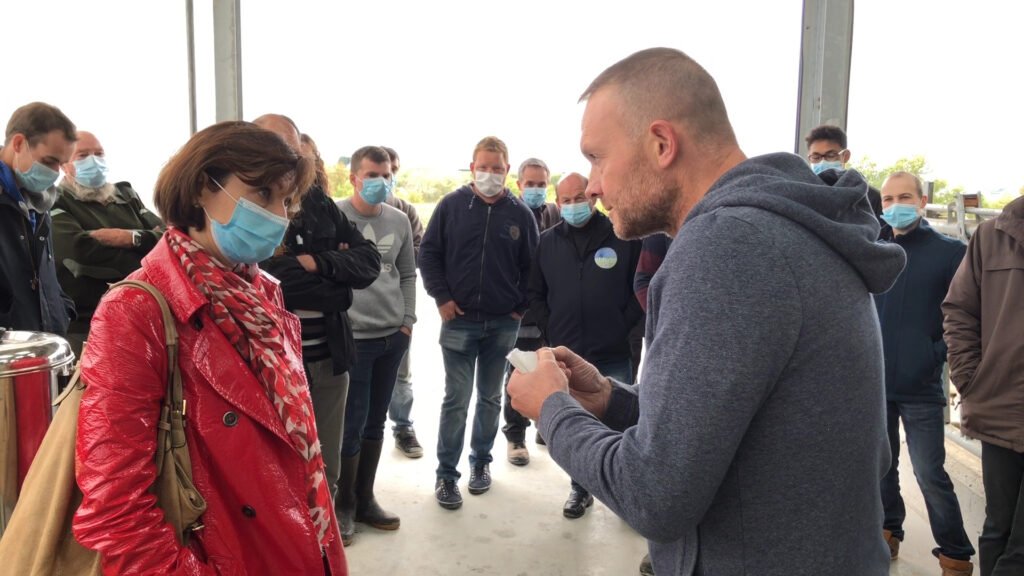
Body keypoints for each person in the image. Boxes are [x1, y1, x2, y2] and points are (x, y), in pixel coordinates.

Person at [507, 47, 905, 575]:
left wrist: (552, 408)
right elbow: (740, 426)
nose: (593, 186)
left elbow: (655, 495)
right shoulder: (783, 228)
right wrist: (607, 399)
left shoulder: (728, 245)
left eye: (596, 157)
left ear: (662, 143)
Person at [72, 121, 347, 575]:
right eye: (262, 194)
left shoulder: (261, 292)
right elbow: (114, 506)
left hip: (296, 540)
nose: (278, 215)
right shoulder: (135, 311)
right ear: (203, 186)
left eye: (286, 200)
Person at [261, 132, 381, 521]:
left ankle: (323, 544)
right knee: (282, 470)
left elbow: (368, 263)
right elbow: (271, 279)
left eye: (303, 157)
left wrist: (318, 263)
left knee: (327, 464)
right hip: (279, 362)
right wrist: (335, 281)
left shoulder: (320, 205)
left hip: (331, 356)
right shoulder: (255, 210)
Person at [419, 136, 539, 510]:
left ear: (507, 170)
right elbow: (429, 254)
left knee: (489, 398)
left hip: (503, 324)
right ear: (472, 169)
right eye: (483, 167)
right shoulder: (452, 206)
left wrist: (519, 307)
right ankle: (445, 476)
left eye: (497, 168)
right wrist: (441, 297)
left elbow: (532, 268)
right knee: (456, 400)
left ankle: (481, 465)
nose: (490, 174)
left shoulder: (520, 214)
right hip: (459, 322)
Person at [874, 172, 974, 575]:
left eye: (904, 197)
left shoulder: (950, 252)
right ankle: (888, 530)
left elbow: (964, 314)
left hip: (921, 386)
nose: (894, 204)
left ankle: (956, 552)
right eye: (887, 199)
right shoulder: (874, 247)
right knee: (882, 466)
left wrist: (936, 354)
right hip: (877, 384)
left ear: (921, 201)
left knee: (929, 471)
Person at [527, 172, 642, 519]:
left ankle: (631, 494)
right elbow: (535, 292)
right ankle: (580, 490)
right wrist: (551, 330)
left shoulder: (623, 236)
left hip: (614, 349)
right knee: (579, 423)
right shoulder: (547, 242)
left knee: (624, 420)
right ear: (557, 202)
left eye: (580, 198)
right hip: (569, 351)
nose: (574, 205)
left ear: (592, 198)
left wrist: (623, 328)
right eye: (566, 200)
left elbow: (640, 289)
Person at [336, 146, 416, 545]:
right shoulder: (335, 217)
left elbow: (406, 275)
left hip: (391, 338)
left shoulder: (399, 220)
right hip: (353, 338)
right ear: (353, 177)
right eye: (371, 175)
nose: (379, 182)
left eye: (385, 175)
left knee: (376, 421)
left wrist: (407, 322)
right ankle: (344, 503)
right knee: (350, 423)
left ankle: (366, 498)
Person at [943, 193, 1024, 576]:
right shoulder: (992, 236)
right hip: (1000, 406)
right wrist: (970, 379)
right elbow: (960, 308)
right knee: (997, 530)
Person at [51, 130, 166, 357]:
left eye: (98, 153)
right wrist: (144, 259)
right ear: (65, 165)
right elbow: (78, 251)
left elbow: (168, 237)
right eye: (83, 155)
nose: (94, 161)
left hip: (143, 318)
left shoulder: (125, 194)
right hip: (86, 326)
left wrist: (130, 237)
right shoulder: (55, 200)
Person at [0, 102, 77, 335]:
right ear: (19, 143)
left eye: (61, 164)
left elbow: (43, 273)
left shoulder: (41, 202)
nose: (55, 172)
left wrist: (62, 310)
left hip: (43, 346)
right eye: (49, 161)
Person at [503, 157, 561, 466]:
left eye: (542, 184)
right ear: (519, 184)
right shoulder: (511, 215)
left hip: (551, 311)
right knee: (520, 371)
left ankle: (545, 426)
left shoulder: (555, 214)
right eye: (531, 184)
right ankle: (515, 435)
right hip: (520, 312)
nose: (536, 189)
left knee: (551, 370)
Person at [381, 145, 427, 459]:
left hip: (397, 310)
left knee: (399, 374)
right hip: (356, 317)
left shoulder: (405, 211)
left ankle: (403, 428)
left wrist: (407, 316)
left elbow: (418, 255)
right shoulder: (342, 211)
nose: (387, 178)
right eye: (380, 173)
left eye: (392, 172)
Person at [804, 124, 888, 237]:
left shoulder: (869, 197)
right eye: (816, 157)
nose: (822, 162)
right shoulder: (803, 195)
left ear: (845, 156)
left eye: (830, 155)